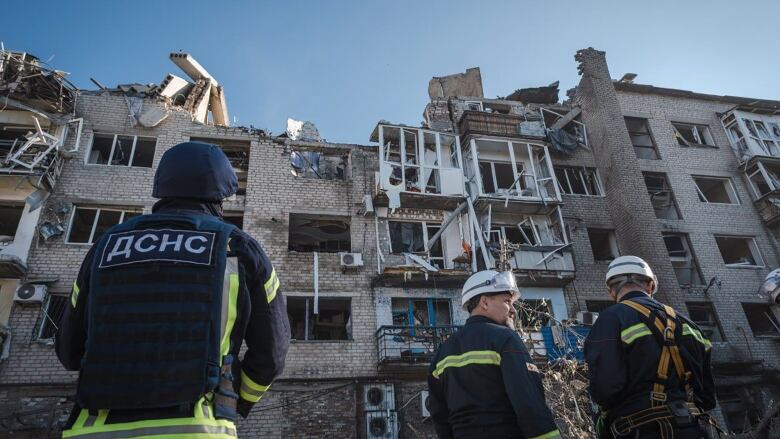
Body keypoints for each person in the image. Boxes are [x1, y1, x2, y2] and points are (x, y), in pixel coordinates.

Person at [56, 141, 290, 438]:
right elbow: (272, 351)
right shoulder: (237, 246)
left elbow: (68, 351)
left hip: (91, 429)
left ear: (162, 187)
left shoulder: (107, 244)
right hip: (198, 427)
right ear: (221, 196)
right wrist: (236, 398)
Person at [584, 255, 717, 439]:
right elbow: (708, 397)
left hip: (641, 430)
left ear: (611, 291)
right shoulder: (689, 325)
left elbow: (605, 389)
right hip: (694, 429)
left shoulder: (610, 319)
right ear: (650, 285)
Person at [427, 270, 560, 439]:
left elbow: (439, 414)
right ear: (484, 302)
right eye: (507, 301)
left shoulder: (442, 352)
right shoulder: (505, 338)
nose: (513, 310)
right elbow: (528, 402)